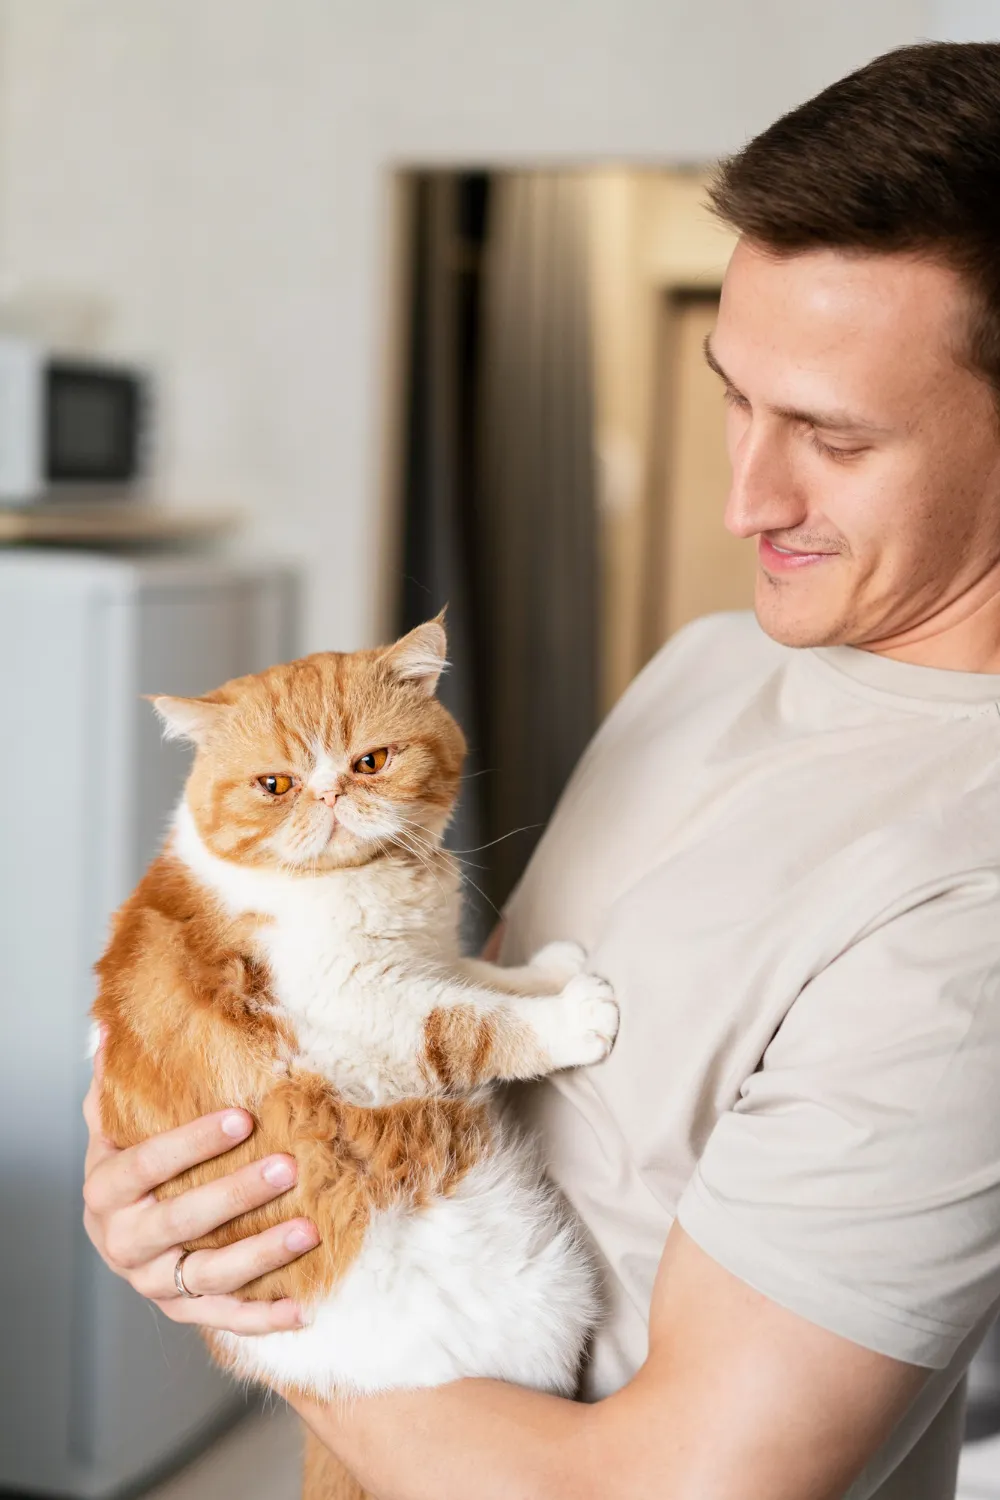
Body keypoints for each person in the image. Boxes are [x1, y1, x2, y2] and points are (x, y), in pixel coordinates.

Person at [83, 39, 1000, 1500]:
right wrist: (188, 1185)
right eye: (735, 395)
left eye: (830, 435)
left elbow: (660, 1491)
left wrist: (260, 1319)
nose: (742, 496)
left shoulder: (971, 888)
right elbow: (424, 1036)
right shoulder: (708, 660)